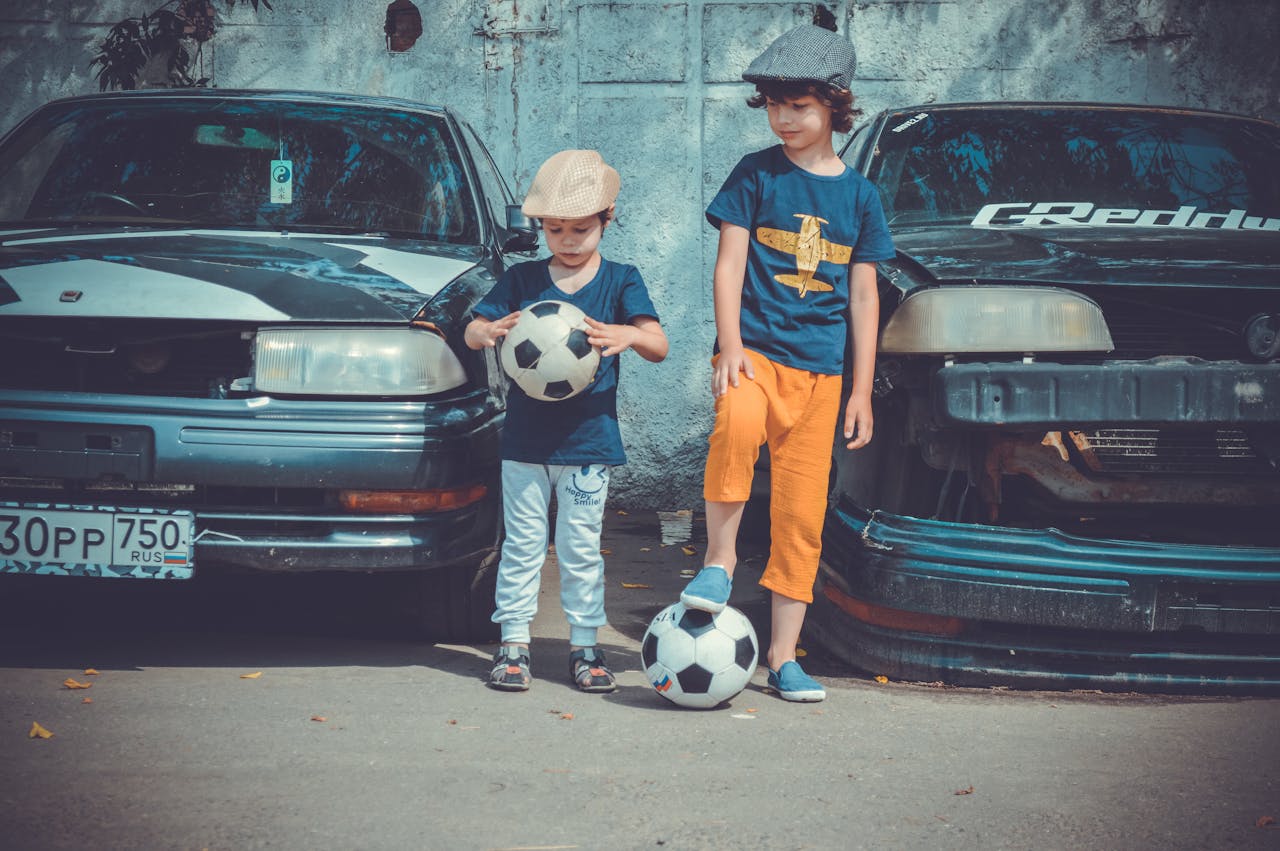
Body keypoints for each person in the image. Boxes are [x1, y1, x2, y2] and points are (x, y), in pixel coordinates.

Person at [678, 21, 895, 702]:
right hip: (756, 357)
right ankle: (718, 559)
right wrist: (730, 345)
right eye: (774, 105)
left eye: (798, 105)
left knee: (801, 516)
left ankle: (783, 656)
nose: (784, 119)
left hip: (822, 378)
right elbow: (728, 266)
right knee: (734, 430)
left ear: (835, 103)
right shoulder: (756, 175)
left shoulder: (860, 197)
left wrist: (861, 390)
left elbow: (865, 297)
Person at [465, 149, 668, 693]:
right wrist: (484, 332)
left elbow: (658, 344)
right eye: (555, 229)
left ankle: (585, 645)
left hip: (588, 443)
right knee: (524, 543)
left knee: (580, 546)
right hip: (525, 442)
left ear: (607, 219)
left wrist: (628, 335)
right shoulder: (524, 280)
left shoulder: (622, 281)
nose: (568, 240)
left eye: (581, 228)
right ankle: (513, 644)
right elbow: (473, 330)